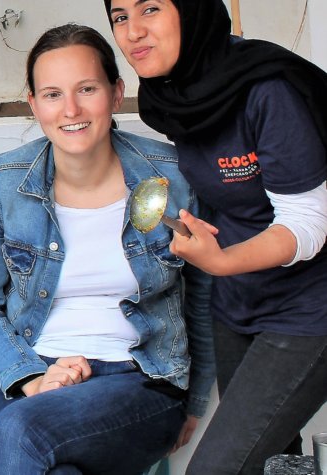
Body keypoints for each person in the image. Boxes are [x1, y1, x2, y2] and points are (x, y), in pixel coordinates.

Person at [0, 24, 215, 474]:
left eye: (87, 89)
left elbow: (205, 297)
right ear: (34, 104)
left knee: (19, 431)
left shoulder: (174, 177)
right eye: (52, 94)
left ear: (116, 93)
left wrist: (195, 401)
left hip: (139, 380)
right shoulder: (0, 182)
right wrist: (32, 377)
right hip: (25, 368)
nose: (71, 109)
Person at [106, 1, 327, 472]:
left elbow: (308, 223)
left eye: (150, 8)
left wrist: (221, 261)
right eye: (120, 15)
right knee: (274, 465)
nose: (133, 31)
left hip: (309, 308)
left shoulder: (265, 89)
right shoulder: (175, 94)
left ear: (192, 10)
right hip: (237, 306)